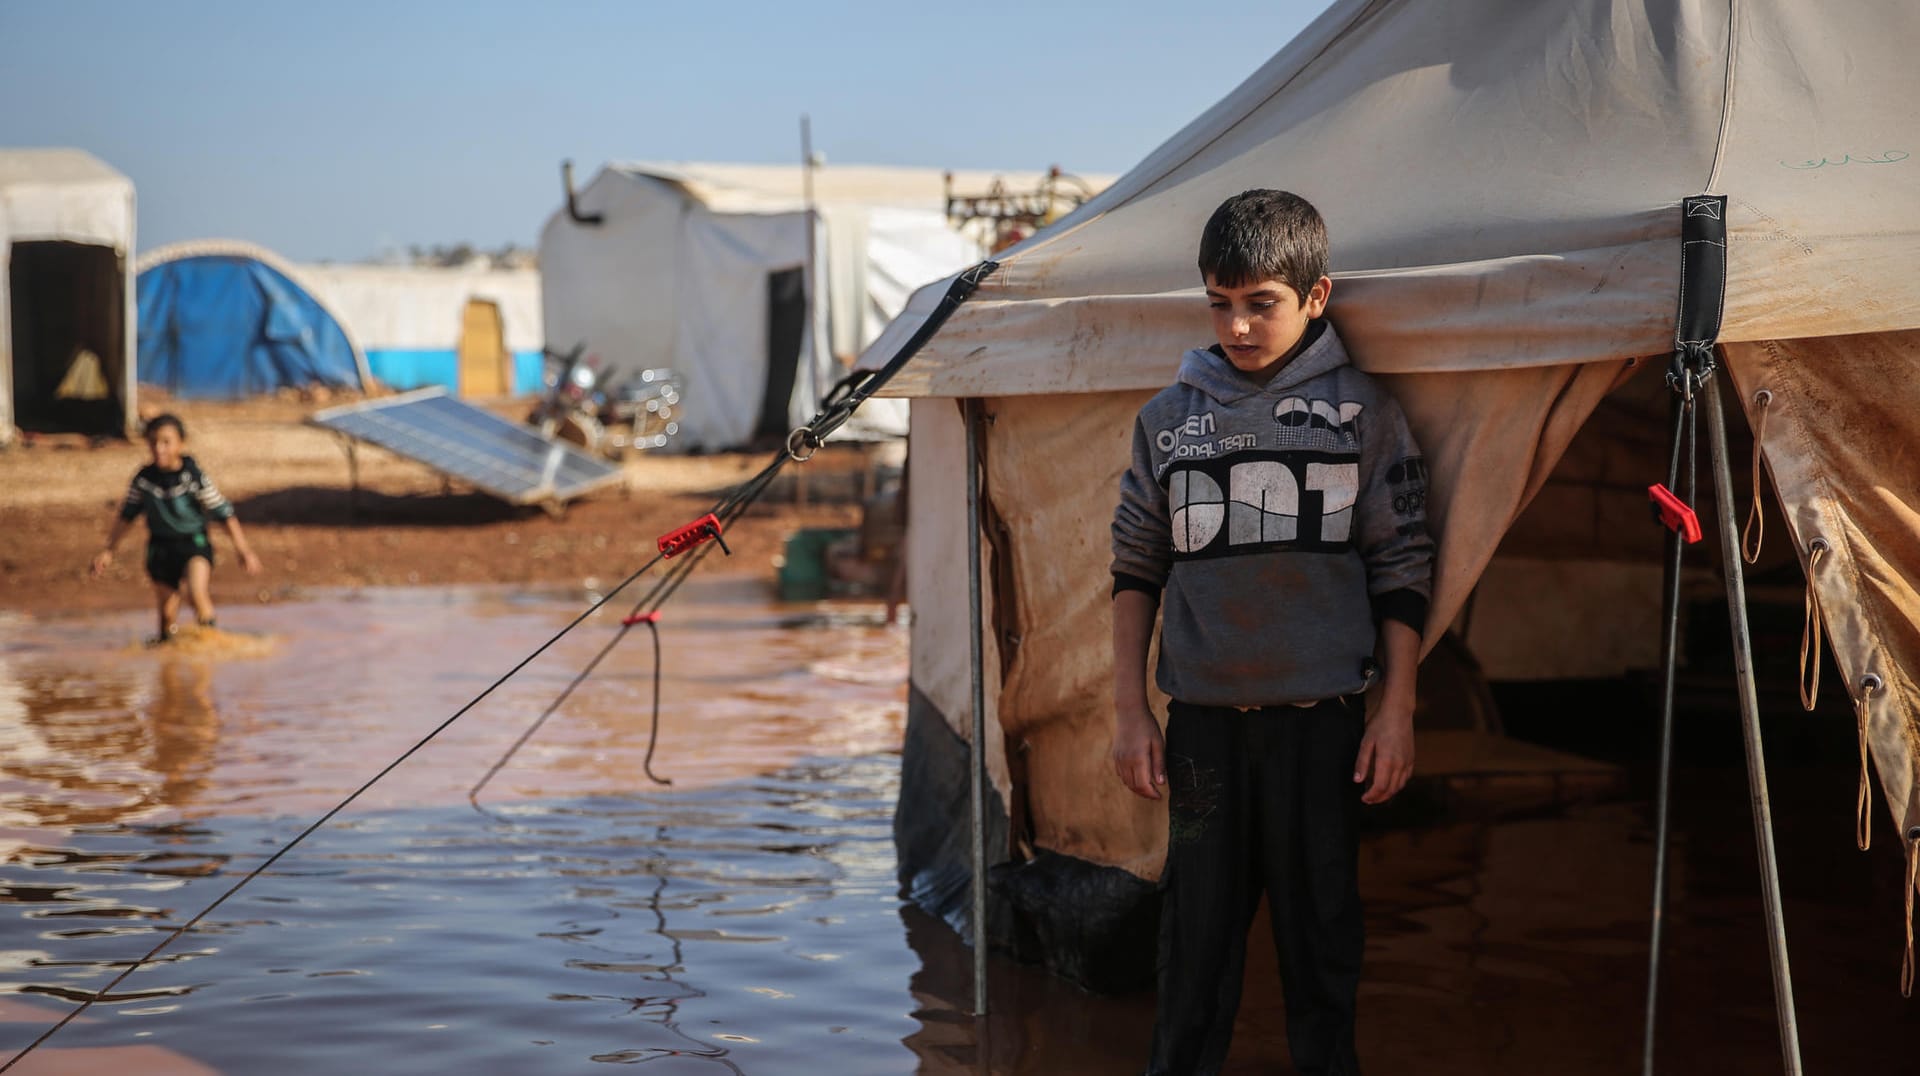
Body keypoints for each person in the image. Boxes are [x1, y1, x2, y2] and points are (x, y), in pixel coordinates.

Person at [1109, 189, 1434, 1075]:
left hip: (1322, 729)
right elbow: (1137, 568)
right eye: (1221, 302)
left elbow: (1401, 567)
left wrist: (1394, 710)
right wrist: (1130, 711)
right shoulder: (1169, 422)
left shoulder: (1366, 416)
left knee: (1324, 955)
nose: (1240, 325)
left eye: (1262, 303)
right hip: (1205, 732)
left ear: (1316, 297)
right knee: (1193, 961)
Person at [91, 414, 261, 641]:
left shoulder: (193, 477)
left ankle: (209, 653)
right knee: (167, 615)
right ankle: (168, 665)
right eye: (153, 442)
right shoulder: (144, 479)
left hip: (193, 544)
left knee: (196, 593)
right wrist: (108, 550)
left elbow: (224, 513)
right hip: (160, 548)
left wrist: (244, 550)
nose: (159, 448)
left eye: (166, 442)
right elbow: (127, 515)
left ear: (181, 443)